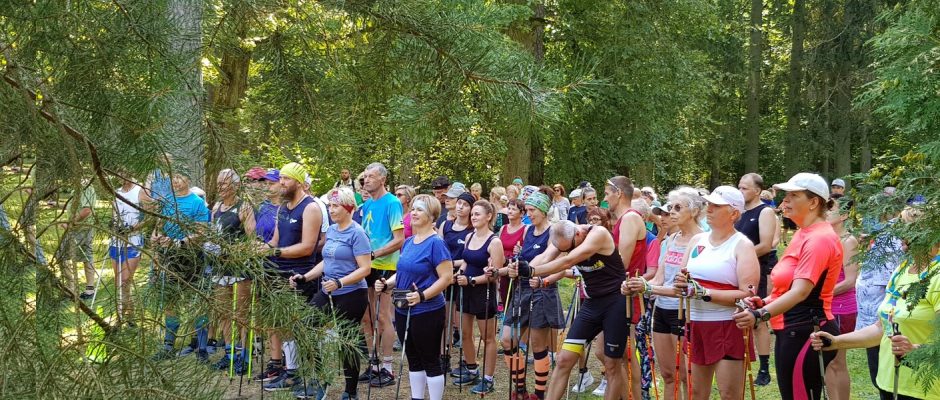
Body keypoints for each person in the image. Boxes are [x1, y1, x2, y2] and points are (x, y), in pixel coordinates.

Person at [732, 173, 843, 400]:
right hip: (792, 328)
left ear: (813, 202)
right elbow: (788, 287)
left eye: (794, 195)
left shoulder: (819, 238)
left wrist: (760, 314)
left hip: (808, 330)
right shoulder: (804, 233)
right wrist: (764, 302)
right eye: (786, 195)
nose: (785, 201)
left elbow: (801, 291)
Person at [811, 206, 938, 400]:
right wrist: (836, 341)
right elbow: (881, 328)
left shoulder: (937, 276)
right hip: (889, 383)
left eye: (905, 230)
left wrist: (914, 350)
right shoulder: (902, 270)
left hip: (925, 389)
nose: (899, 237)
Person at [499, 219, 624, 400]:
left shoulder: (598, 234)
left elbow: (568, 261)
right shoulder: (567, 239)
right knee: (563, 360)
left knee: (612, 365)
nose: (567, 250)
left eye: (569, 247)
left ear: (578, 234)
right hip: (592, 304)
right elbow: (545, 256)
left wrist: (532, 271)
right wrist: (522, 267)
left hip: (615, 302)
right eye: (563, 249)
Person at [661, 186, 759, 400]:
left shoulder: (742, 245)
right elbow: (682, 280)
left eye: (716, 206)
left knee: (729, 394)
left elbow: (747, 295)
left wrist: (703, 292)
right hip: (696, 323)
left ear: (734, 213)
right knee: (696, 393)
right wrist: (680, 285)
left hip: (727, 325)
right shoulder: (698, 240)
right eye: (709, 204)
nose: (709, 209)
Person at [289, 187, 372, 400]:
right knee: (304, 326)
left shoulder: (357, 233)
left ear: (348, 208)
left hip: (352, 293)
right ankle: (320, 377)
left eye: (336, 206)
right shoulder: (333, 230)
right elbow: (327, 261)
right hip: (328, 290)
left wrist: (340, 282)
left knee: (346, 341)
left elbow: (365, 268)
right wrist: (305, 277)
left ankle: (350, 391)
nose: (331, 210)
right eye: (330, 205)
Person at [374, 194, 454, 400]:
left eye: (420, 210)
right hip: (403, 308)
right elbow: (402, 272)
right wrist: (387, 284)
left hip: (427, 311)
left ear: (431, 216)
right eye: (413, 209)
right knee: (413, 358)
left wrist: (422, 296)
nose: (414, 213)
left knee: (430, 359)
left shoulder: (436, 243)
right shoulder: (409, 241)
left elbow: (447, 278)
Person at [260, 162, 325, 391]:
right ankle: (292, 372)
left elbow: (308, 247)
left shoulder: (311, 208)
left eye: (286, 179)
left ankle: (314, 375)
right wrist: (258, 249)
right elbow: (275, 241)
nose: (282, 183)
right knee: (284, 324)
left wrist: (275, 252)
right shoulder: (282, 207)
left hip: (301, 274)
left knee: (302, 327)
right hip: (279, 272)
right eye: (281, 179)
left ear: (298, 182)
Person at [496, 192, 566, 400]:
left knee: (537, 345)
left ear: (544, 211)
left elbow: (562, 267)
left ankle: (538, 394)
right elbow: (522, 261)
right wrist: (513, 268)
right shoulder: (528, 231)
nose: (529, 214)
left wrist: (545, 280)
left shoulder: (554, 232)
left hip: (542, 292)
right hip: (522, 290)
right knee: (507, 339)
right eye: (527, 210)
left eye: (532, 210)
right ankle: (520, 389)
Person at [635, 190, 704, 400]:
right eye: (671, 207)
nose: (671, 212)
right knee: (667, 375)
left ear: (694, 211)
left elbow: (683, 287)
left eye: (677, 208)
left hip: (684, 311)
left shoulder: (702, 240)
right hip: (661, 310)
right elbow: (660, 278)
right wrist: (639, 284)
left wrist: (647, 288)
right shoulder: (672, 238)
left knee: (685, 376)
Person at [151, 172, 211, 361]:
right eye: (173, 178)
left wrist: (180, 242)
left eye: (180, 177)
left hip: (192, 258)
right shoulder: (166, 201)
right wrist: (155, 237)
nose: (176, 181)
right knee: (170, 300)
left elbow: (201, 232)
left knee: (196, 300)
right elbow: (158, 225)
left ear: (188, 180)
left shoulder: (197, 203)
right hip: (170, 258)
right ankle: (168, 345)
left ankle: (201, 347)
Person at [358, 162, 405, 388]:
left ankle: (387, 367)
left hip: (386, 265)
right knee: (367, 317)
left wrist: (374, 253)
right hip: (367, 266)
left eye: (371, 176)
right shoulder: (367, 204)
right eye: (365, 176)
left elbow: (399, 240)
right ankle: (373, 362)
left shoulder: (392, 203)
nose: (366, 180)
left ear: (383, 179)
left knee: (383, 316)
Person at [207, 169, 256, 374]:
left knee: (241, 313)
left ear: (235, 186)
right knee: (223, 311)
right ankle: (229, 354)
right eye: (218, 183)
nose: (220, 187)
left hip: (239, 266)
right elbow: (212, 232)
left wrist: (231, 250)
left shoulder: (243, 207)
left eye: (224, 183)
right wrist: (210, 245)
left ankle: (245, 356)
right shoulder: (216, 207)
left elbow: (252, 239)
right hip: (219, 266)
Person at [453, 200, 505, 393]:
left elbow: (495, 274)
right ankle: (472, 368)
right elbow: (466, 262)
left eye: (477, 214)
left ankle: (488, 378)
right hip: (465, 289)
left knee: (487, 337)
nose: (473, 217)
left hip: (484, 292)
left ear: (488, 216)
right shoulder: (469, 236)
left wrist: (472, 280)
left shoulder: (494, 242)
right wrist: (459, 274)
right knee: (466, 333)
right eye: (472, 214)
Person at [605, 176, 647, 399]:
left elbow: (622, 262)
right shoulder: (623, 219)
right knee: (614, 355)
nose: (605, 199)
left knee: (627, 356)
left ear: (618, 193)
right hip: (617, 292)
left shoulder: (630, 218)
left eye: (607, 193)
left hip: (627, 295)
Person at [735, 173, 779, 386]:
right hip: (734, 271)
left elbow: (766, 245)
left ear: (757, 191)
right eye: (739, 187)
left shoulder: (765, 211)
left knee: (757, 319)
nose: (740, 191)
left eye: (744, 188)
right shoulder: (738, 212)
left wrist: (739, 255)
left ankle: (764, 367)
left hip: (755, 270)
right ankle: (738, 361)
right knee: (737, 315)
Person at [856, 199, 906, 388]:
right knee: (880, 377)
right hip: (874, 317)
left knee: (888, 377)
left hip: (889, 321)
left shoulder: (895, 234)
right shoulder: (882, 232)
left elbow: (890, 285)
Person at [824, 197, 859, 400]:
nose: (826, 212)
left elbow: (850, 281)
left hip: (841, 308)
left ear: (844, 215)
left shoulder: (848, 241)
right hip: (824, 306)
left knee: (837, 361)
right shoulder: (826, 239)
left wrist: (820, 295)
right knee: (826, 361)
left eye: (831, 209)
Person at [440, 190, 475, 374]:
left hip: (463, 277)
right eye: (459, 203)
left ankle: (467, 360)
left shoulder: (472, 230)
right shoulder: (446, 225)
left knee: (462, 323)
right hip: (444, 276)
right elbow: (438, 248)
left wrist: (453, 264)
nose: (461, 207)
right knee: (444, 319)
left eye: (465, 204)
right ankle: (443, 356)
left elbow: (471, 256)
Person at [110, 173, 143, 324]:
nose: (123, 176)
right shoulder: (116, 192)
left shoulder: (140, 191)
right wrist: (113, 225)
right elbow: (114, 214)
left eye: (126, 173)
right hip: (115, 241)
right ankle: (130, 316)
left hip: (133, 242)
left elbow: (148, 217)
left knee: (124, 281)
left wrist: (131, 228)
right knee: (119, 282)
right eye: (120, 173)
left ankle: (119, 320)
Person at [57, 179, 97, 300]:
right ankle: (89, 290)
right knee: (87, 256)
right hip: (81, 228)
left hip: (81, 229)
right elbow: (77, 206)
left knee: (61, 255)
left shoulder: (87, 187)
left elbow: (87, 210)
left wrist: (71, 223)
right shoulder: (78, 188)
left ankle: (71, 289)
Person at [498, 199, 527, 313]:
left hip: (515, 267)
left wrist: (521, 250)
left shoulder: (525, 229)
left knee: (515, 300)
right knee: (504, 297)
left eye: (514, 209)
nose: (509, 211)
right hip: (502, 266)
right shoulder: (503, 228)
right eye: (509, 208)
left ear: (522, 213)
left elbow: (527, 250)